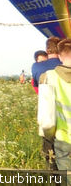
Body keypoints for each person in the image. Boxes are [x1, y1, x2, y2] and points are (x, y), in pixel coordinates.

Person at [38, 38, 71, 176]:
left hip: (62, 138)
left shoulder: (48, 77)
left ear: (59, 55)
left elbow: (46, 114)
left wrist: (48, 136)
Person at [33, 38, 62, 170]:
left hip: (47, 116)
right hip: (65, 118)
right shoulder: (64, 64)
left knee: (50, 156)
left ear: (47, 50)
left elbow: (35, 85)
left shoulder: (37, 67)